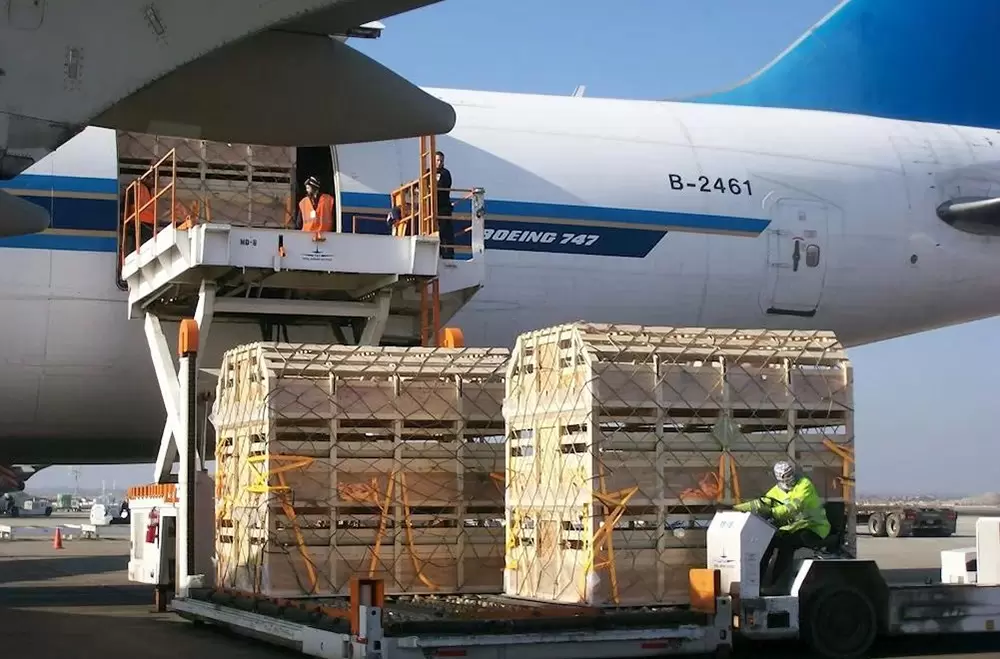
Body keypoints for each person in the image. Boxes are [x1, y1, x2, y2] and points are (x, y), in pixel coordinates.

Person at [734, 460, 831, 589]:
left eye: (789, 474)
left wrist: (771, 512)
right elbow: (762, 503)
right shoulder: (776, 491)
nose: (788, 479)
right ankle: (756, 584)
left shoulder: (804, 485)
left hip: (814, 527)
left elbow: (794, 507)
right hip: (795, 528)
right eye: (784, 476)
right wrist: (736, 508)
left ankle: (779, 585)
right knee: (767, 542)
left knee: (787, 544)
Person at [434, 151, 455, 258]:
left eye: (441, 161)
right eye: (437, 160)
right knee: (434, 232)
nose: (439, 163)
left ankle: (447, 253)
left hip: (443, 207)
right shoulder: (428, 172)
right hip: (432, 208)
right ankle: (437, 252)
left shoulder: (445, 173)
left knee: (445, 232)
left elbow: (443, 186)